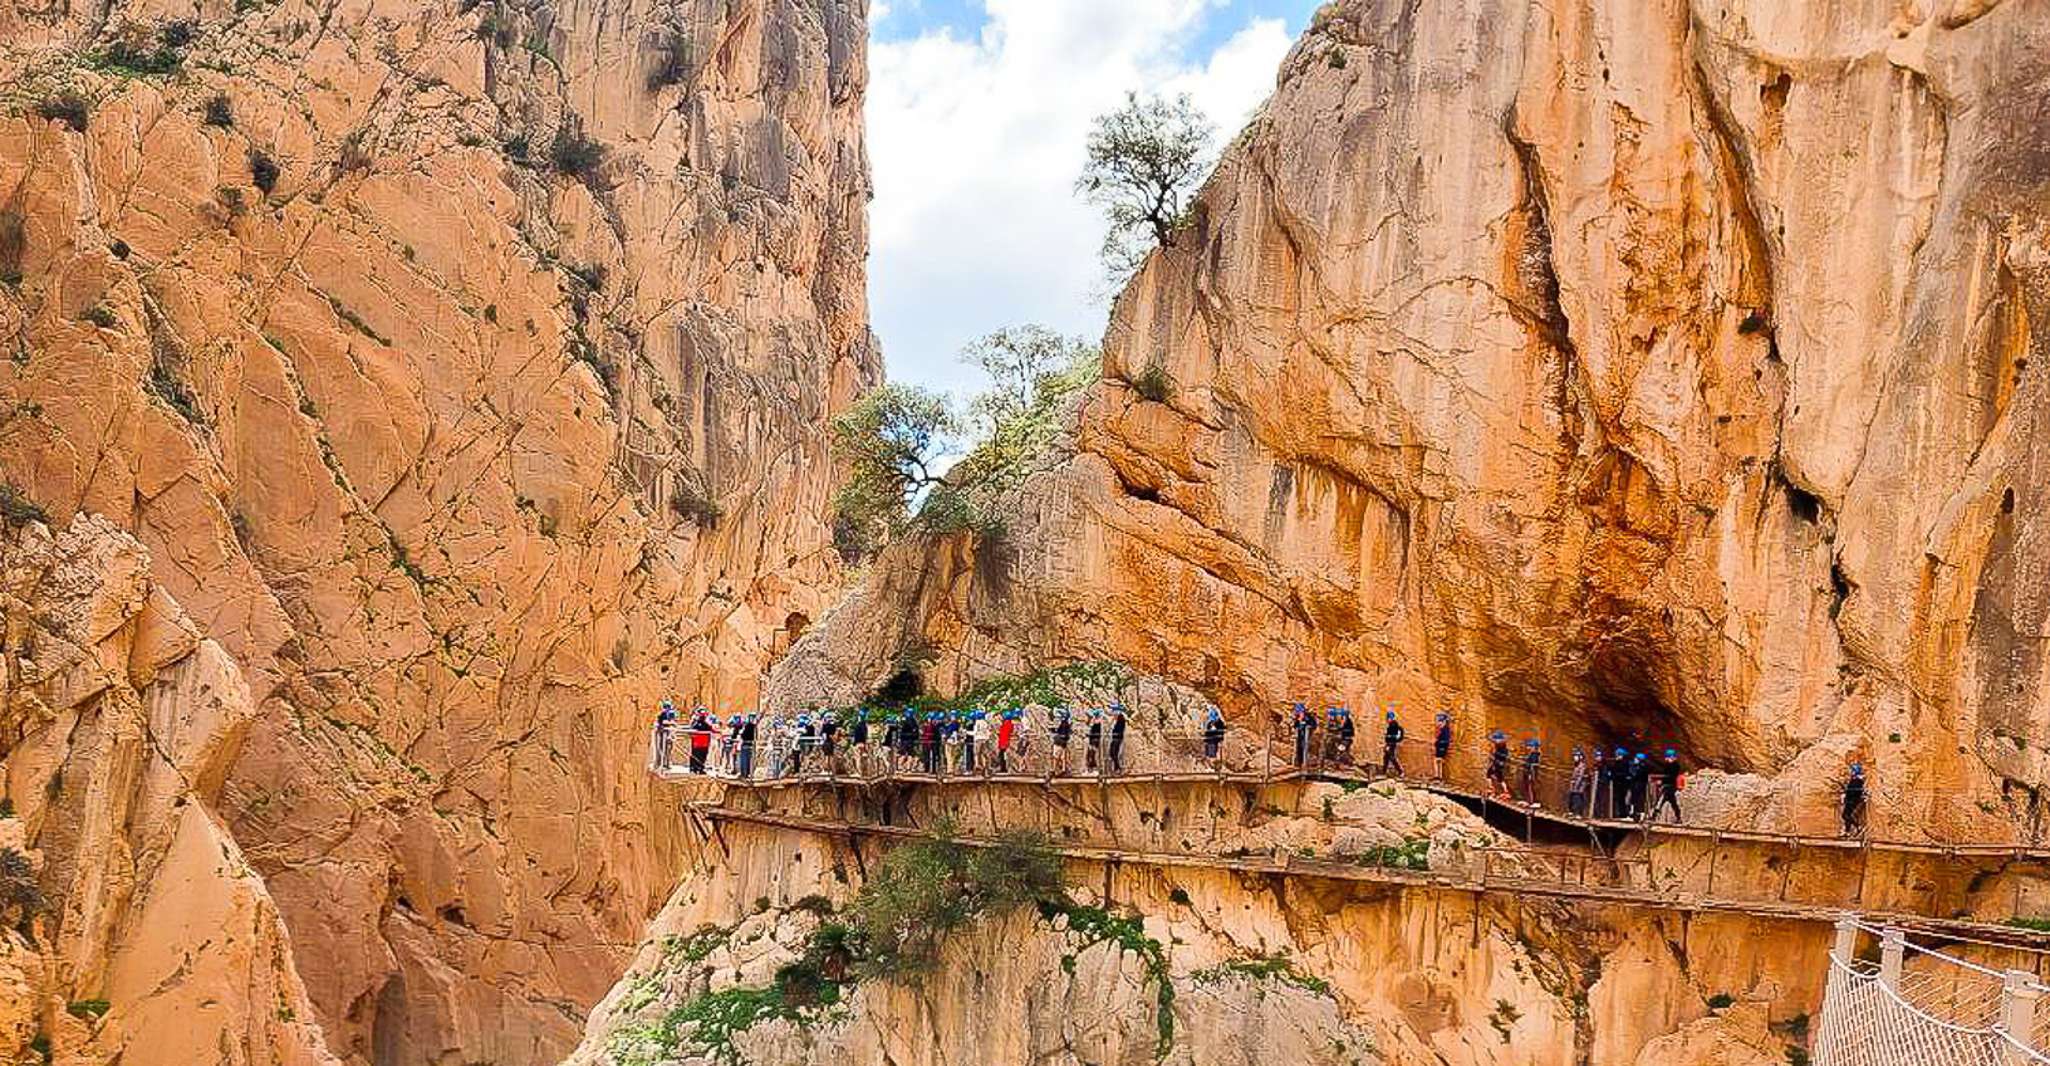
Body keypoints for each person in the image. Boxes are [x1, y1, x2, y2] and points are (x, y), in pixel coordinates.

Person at [1649, 748, 1683, 823]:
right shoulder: (1668, 765)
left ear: (1672, 757)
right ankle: (1678, 818)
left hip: (1669, 786)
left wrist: (1662, 780)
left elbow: (1670, 776)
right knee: (1672, 802)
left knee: (1661, 801)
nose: (1666, 759)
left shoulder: (1675, 766)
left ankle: (1653, 817)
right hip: (1668, 786)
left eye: (1667, 757)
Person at [1842, 762, 1867, 837]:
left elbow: (1855, 791)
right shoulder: (1854, 780)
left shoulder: (1857, 781)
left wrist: (1847, 793)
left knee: (1846, 815)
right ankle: (1847, 831)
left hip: (1852, 800)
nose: (1850, 772)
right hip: (1850, 800)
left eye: (1852, 770)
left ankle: (1857, 827)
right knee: (1846, 815)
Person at [687, 706, 713, 775]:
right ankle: (693, 768)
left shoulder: (707, 722)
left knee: (703, 756)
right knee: (695, 755)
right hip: (697, 743)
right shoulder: (695, 722)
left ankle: (701, 768)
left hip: (705, 743)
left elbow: (711, 728)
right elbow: (692, 729)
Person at [1486, 730, 1511, 800]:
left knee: (1500, 778)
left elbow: (1502, 757)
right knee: (1489, 775)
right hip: (1496, 763)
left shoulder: (1503, 749)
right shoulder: (1497, 747)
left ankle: (1505, 792)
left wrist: (1494, 757)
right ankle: (1492, 789)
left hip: (1498, 764)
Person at [1381, 709, 1405, 778]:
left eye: (1388, 718)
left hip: (1391, 744)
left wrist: (1388, 745)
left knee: (1391, 757)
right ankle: (1384, 771)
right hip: (1390, 743)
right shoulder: (1391, 726)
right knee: (1386, 758)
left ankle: (1400, 771)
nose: (1387, 720)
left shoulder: (1393, 725)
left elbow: (1392, 737)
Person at [1627, 752, 1651, 821]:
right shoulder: (1638, 766)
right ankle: (1634, 813)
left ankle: (1638, 813)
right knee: (1634, 799)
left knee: (1638, 800)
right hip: (1636, 785)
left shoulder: (1641, 767)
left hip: (1639, 785)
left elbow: (1635, 775)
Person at [655, 701, 679, 770]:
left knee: (668, 749)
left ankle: (666, 763)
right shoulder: (662, 714)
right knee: (663, 748)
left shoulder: (669, 713)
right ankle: (662, 763)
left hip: (668, 733)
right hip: (664, 733)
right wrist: (672, 723)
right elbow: (662, 722)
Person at [1292, 703, 1316, 769]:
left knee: (1305, 748)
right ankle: (1299, 763)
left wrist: (1309, 727)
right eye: (1299, 712)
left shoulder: (1309, 717)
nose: (1301, 714)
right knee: (1298, 748)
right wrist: (1298, 721)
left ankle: (1304, 762)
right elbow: (1294, 726)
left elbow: (1313, 725)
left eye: (1301, 712)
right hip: (1300, 735)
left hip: (1306, 735)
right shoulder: (1297, 718)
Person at [1051, 706, 1074, 775]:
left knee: (1056, 756)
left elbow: (1057, 730)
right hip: (1064, 741)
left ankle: (1054, 769)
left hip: (1059, 740)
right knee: (1062, 756)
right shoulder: (1067, 723)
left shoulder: (1062, 722)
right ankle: (1063, 769)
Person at [1566, 748, 1588, 816]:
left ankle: (1578, 813)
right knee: (1571, 798)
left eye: (1576, 756)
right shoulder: (1576, 765)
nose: (1574, 757)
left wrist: (1576, 785)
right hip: (1574, 786)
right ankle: (1571, 812)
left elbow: (1580, 776)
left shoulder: (1582, 766)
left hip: (1579, 787)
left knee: (1577, 799)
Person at [736, 712, 758, 780]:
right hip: (751, 745)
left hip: (745, 744)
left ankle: (744, 774)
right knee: (749, 760)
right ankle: (748, 774)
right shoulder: (755, 727)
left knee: (744, 760)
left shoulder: (747, 726)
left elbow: (743, 735)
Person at [1108, 703, 1129, 773]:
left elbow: (1120, 729)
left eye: (1113, 710)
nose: (1112, 712)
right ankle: (1116, 768)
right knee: (1112, 753)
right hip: (1115, 738)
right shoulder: (1117, 719)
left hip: (1118, 738)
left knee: (1114, 753)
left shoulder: (1121, 718)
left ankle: (1118, 768)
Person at [1432, 712, 1452, 781]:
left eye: (1439, 721)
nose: (1438, 723)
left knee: (1436, 760)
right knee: (1439, 761)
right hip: (1441, 746)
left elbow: (1445, 740)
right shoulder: (1445, 729)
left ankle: (1437, 776)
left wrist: (1437, 742)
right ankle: (1439, 776)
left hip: (1441, 746)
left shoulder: (1445, 730)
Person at [1521, 738, 1542, 805]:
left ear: (1534, 747)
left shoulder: (1535, 755)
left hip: (1531, 772)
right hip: (1527, 772)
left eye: (1530, 746)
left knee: (1530, 787)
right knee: (1527, 786)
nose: (1528, 748)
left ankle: (1531, 801)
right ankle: (1528, 800)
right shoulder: (1531, 754)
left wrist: (1531, 774)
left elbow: (1534, 765)